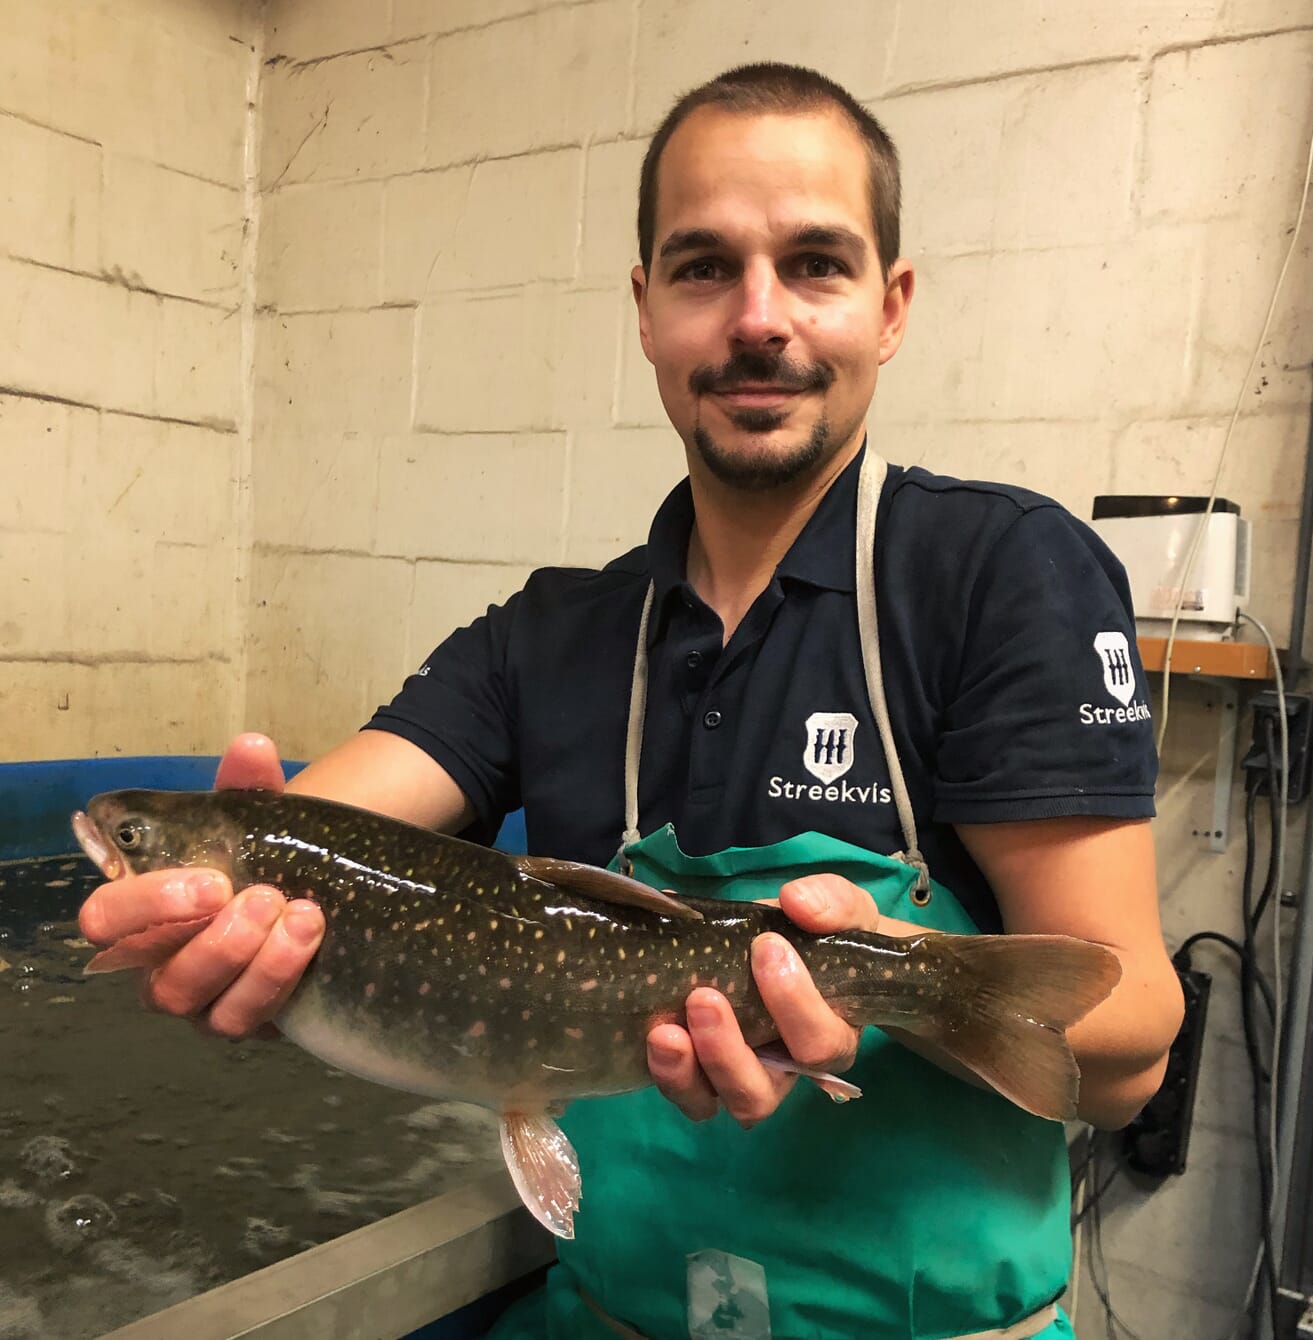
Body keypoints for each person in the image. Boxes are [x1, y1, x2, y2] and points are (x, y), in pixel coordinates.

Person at [78, 63, 1184, 1340]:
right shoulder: (544, 634)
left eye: (814, 264)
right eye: (703, 267)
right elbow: (331, 825)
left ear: (890, 307)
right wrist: (213, 907)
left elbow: (1129, 1049)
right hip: (603, 1317)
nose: (757, 317)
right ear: (645, 307)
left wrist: (894, 977)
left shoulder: (1003, 575)